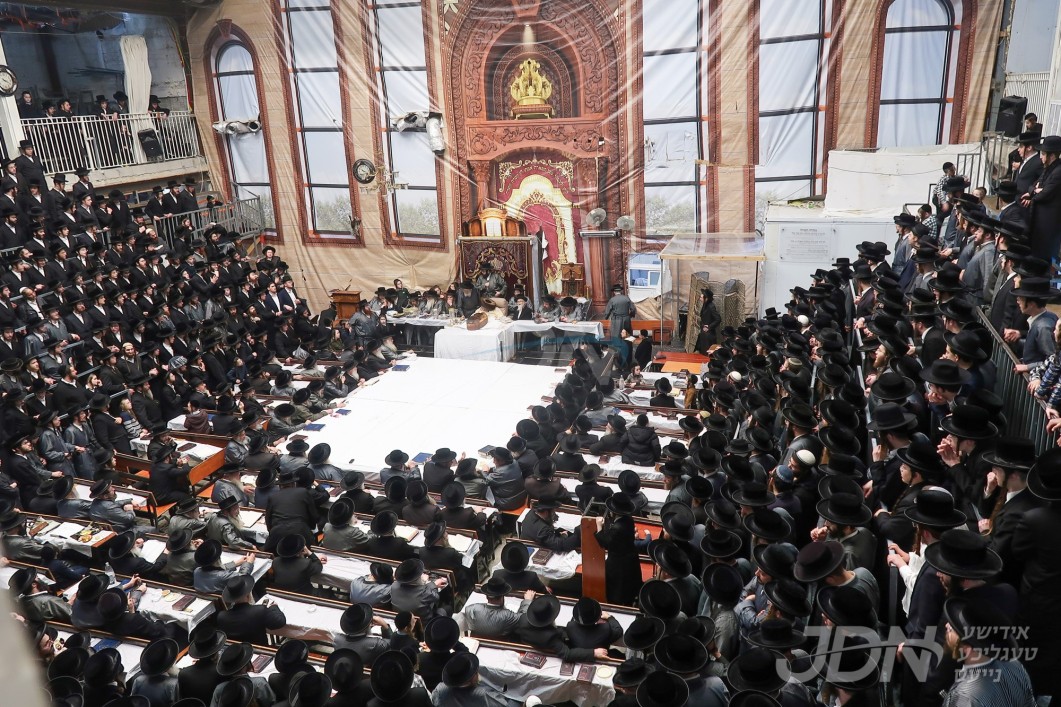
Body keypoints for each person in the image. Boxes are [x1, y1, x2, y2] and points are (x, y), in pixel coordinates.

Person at [695, 288, 722, 354]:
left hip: (709, 336)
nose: (700, 298)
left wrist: (709, 327)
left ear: (706, 298)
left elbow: (718, 319)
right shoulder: (705, 304)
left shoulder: (711, 306)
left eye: (701, 297)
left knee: (707, 354)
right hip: (704, 334)